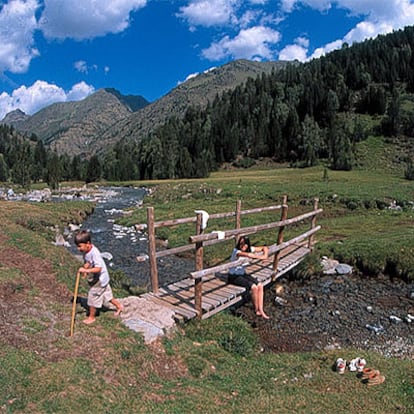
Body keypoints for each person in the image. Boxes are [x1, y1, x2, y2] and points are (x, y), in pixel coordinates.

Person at [75, 230, 123, 325]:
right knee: (107, 296)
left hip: (100, 280)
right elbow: (89, 261)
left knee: (93, 297)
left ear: (88, 243)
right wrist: (86, 266)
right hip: (104, 278)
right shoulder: (87, 251)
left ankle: (92, 317)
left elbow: (98, 268)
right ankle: (119, 306)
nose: (78, 249)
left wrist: (86, 271)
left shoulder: (95, 253)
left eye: (80, 246)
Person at [228, 236, 269, 319]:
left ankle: (261, 309)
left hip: (242, 274)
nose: (242, 245)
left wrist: (266, 255)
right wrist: (261, 257)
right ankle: (256, 310)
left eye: (244, 244)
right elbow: (248, 255)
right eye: (241, 243)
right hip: (233, 276)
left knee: (260, 285)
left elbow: (265, 248)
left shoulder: (250, 248)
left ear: (247, 244)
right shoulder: (236, 251)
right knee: (253, 287)